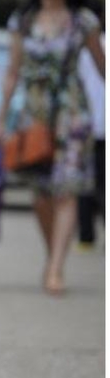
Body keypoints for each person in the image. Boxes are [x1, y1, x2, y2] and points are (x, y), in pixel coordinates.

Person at [0, 0, 104, 295]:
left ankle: (56, 268)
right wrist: (1, 120)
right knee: (41, 194)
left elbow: (102, 67)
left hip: (73, 114)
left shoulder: (84, 21)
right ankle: (51, 255)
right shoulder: (23, 21)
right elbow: (12, 72)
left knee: (66, 190)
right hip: (34, 115)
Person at [76, 28, 104, 249]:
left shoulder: (83, 50)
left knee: (86, 183)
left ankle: (86, 237)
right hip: (88, 125)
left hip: (85, 125)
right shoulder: (84, 49)